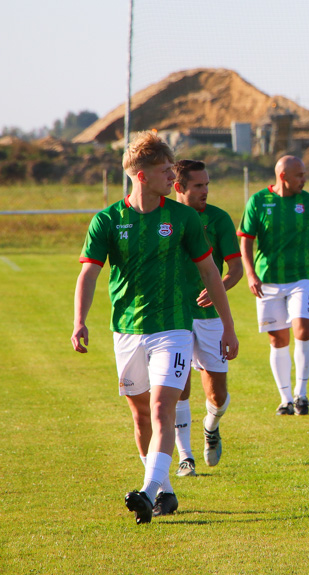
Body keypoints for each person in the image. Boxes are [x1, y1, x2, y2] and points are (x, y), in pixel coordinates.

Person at [72, 132, 239, 525]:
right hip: (126, 329)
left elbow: (210, 272)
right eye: (165, 171)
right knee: (140, 416)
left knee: (163, 406)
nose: (172, 177)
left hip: (174, 327)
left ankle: (147, 491)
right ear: (142, 176)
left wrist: (228, 325)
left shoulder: (182, 218)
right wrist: (79, 320)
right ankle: (163, 490)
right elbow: (89, 275)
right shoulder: (108, 220)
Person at [238, 156, 309, 416]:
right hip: (268, 281)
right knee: (278, 339)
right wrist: (251, 274)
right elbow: (246, 240)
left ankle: (302, 394)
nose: (304, 179)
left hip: (301, 278)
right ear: (283, 176)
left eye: (305, 174)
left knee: (303, 330)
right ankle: (285, 399)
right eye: (300, 175)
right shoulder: (259, 201)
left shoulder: (308, 202)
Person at [172, 160, 243, 477]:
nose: (205, 191)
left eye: (207, 185)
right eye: (198, 185)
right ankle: (185, 456)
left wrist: (219, 288)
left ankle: (211, 426)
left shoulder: (218, 218)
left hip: (211, 316)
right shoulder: (165, 218)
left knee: (218, 396)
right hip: (174, 316)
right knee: (179, 385)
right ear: (179, 187)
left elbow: (236, 269)